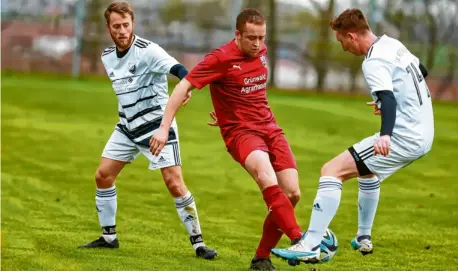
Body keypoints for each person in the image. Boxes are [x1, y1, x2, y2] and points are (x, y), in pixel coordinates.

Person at [271, 8, 434, 264]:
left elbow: (389, 99)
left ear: (352, 36)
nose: (343, 47)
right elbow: (420, 72)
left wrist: (386, 135)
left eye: (342, 41)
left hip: (405, 136)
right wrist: (393, 102)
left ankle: (310, 244)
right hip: (424, 132)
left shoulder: (373, 61)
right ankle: (363, 237)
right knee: (365, 169)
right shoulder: (392, 44)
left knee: (331, 170)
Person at [149, 8, 303, 271]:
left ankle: (261, 258)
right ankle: (300, 240)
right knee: (266, 178)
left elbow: (240, 89)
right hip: (241, 134)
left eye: (262, 38)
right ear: (238, 34)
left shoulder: (261, 52)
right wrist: (164, 127)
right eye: (251, 38)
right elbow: (183, 86)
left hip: (270, 128)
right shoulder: (220, 58)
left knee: (292, 194)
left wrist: (225, 108)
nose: (257, 44)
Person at [78, 1, 217, 260]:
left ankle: (199, 244)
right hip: (127, 128)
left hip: (157, 128)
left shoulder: (148, 50)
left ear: (133, 24)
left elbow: (179, 69)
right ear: (108, 28)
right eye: (116, 26)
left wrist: (185, 87)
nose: (122, 30)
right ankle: (109, 238)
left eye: (126, 25)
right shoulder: (107, 56)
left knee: (174, 183)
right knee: (103, 176)